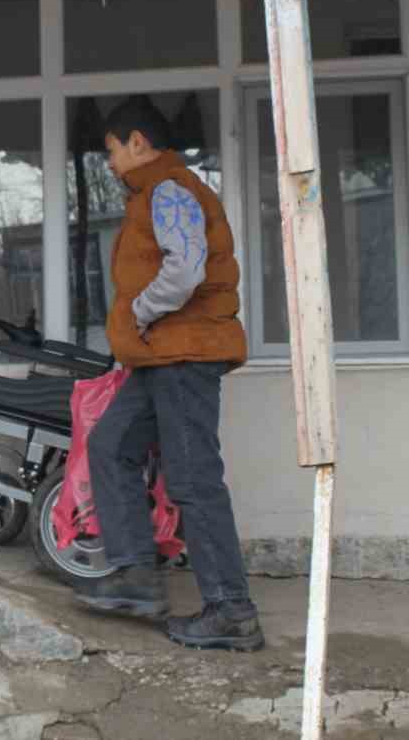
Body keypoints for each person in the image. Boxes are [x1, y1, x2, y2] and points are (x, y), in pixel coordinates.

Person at [76, 96, 261, 652]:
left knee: (192, 479)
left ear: (137, 142)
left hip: (183, 356)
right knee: (110, 445)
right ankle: (135, 574)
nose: (108, 163)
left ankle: (232, 610)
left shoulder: (170, 189)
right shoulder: (150, 194)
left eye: (111, 150)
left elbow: (185, 268)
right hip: (159, 357)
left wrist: (139, 311)